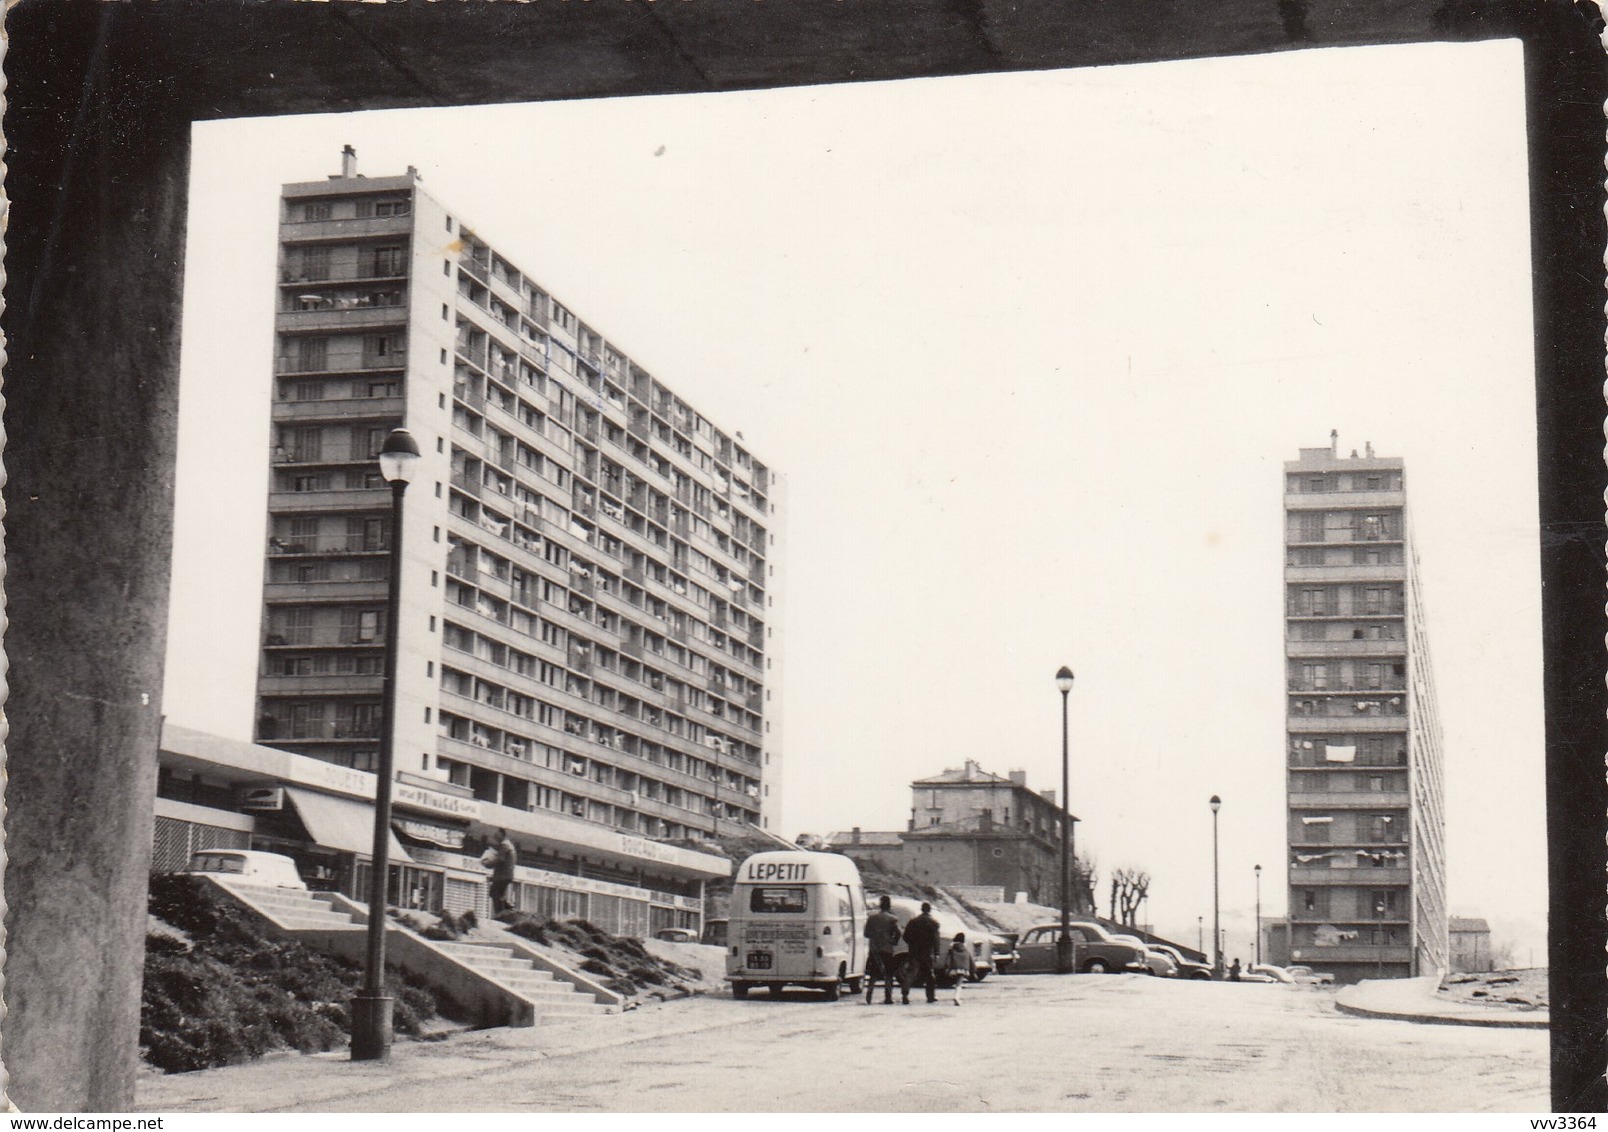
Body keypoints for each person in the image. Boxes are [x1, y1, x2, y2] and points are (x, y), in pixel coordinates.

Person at [862, 895, 903, 1005]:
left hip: (874, 949)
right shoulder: (892, 919)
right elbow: (899, 932)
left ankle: (869, 995)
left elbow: (866, 934)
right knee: (888, 974)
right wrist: (893, 941)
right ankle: (888, 997)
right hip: (887, 949)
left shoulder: (872, 918)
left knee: (873, 974)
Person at [900, 901, 942, 1004]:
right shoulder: (933, 923)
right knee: (929, 975)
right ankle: (930, 997)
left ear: (921, 909)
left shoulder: (913, 922)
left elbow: (905, 937)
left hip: (914, 951)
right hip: (927, 952)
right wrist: (936, 952)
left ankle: (905, 994)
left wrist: (912, 944)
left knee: (911, 973)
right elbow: (936, 939)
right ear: (929, 910)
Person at [487, 828, 517, 914]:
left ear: (502, 834)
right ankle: (507, 910)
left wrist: (489, 864)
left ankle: (502, 912)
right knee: (499, 894)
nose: (496, 837)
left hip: (502, 876)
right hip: (505, 875)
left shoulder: (505, 845)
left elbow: (500, 859)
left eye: (497, 834)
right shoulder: (509, 845)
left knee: (495, 893)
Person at [943, 933, 975, 1006]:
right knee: (959, 984)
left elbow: (948, 960)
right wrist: (974, 971)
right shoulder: (965, 950)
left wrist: (946, 967)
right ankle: (956, 997)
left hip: (954, 968)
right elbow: (971, 960)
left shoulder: (952, 949)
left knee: (954, 982)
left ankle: (956, 996)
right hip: (963, 968)